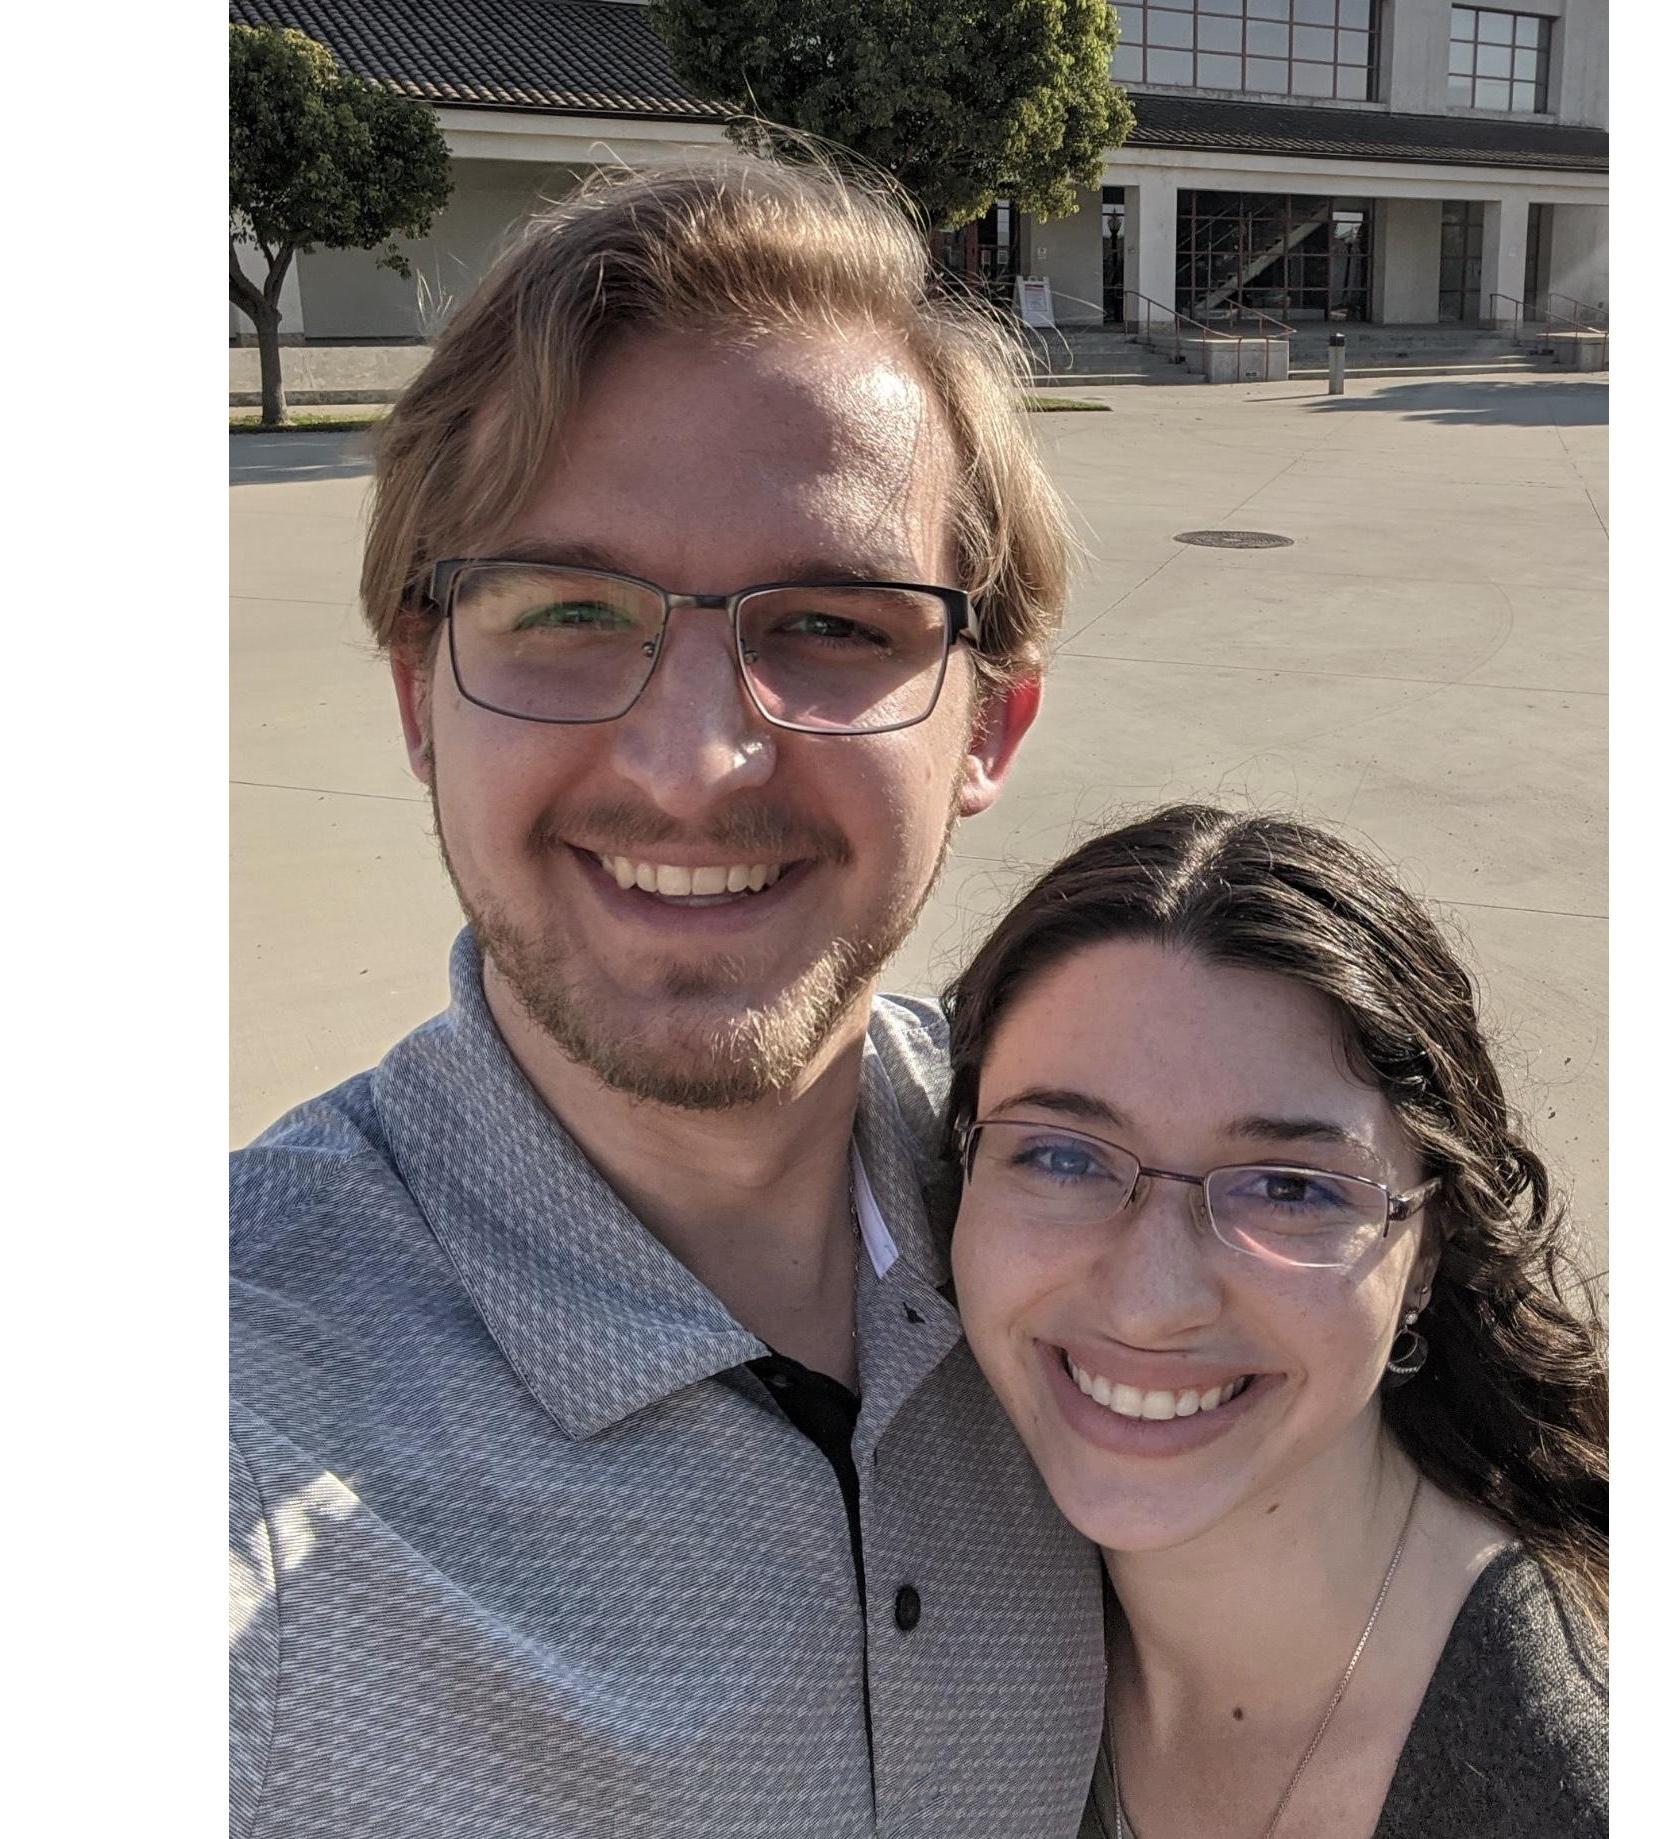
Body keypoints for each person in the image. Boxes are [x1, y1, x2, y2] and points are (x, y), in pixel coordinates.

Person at [228, 154, 1105, 1839]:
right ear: (421, 701)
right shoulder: (240, 1394)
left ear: (986, 725)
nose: (694, 762)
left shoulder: (1110, 1210)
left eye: (835, 624)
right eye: (570, 610)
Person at [944, 806, 1608, 1839]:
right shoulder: (944, 1598)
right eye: (1064, 1155)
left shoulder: (1566, 1781)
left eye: (1290, 1189)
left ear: (1427, 1249)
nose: (1149, 1300)